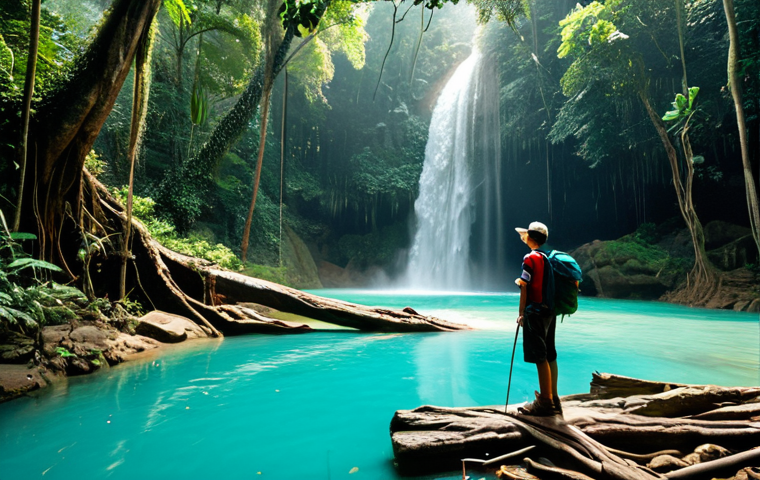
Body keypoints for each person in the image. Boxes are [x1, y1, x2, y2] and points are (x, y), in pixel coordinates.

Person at [514, 221, 560, 416]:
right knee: (550, 354)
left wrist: (521, 313)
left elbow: (524, 285)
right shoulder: (548, 257)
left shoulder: (530, 258)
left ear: (530, 237)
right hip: (550, 312)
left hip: (536, 312)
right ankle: (554, 397)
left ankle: (545, 402)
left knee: (540, 357)